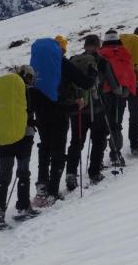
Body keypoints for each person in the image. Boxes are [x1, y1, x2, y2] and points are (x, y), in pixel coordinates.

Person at [31, 37, 96, 207]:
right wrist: (93, 73)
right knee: (58, 150)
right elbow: (86, 82)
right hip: (60, 109)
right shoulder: (62, 63)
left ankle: (42, 185)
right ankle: (53, 191)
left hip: (40, 112)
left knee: (44, 146)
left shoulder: (34, 66)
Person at [65, 34, 120, 191]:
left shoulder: (72, 60)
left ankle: (70, 173)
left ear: (84, 45)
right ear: (98, 46)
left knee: (76, 142)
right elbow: (114, 86)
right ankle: (94, 172)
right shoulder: (102, 61)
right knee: (98, 140)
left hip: (77, 108)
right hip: (96, 108)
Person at [0, 66, 38, 229]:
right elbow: (30, 112)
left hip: (3, 138)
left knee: (3, 177)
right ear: (27, 76)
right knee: (23, 172)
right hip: (24, 136)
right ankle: (23, 207)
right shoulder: (26, 91)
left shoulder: (2, 86)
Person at [99, 29, 136, 165]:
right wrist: (127, 88)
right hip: (121, 93)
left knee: (103, 125)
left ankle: (98, 157)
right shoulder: (124, 53)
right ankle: (115, 153)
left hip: (103, 94)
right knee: (116, 124)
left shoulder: (100, 54)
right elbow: (129, 72)